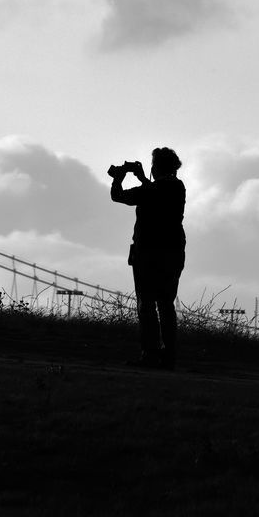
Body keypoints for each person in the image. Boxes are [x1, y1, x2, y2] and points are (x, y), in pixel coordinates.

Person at [109, 147, 186, 369]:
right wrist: (143, 178)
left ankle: (150, 355)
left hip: (148, 253)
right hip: (172, 252)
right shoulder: (177, 187)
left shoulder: (155, 188)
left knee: (146, 305)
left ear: (155, 167)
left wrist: (118, 179)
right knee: (166, 304)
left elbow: (119, 196)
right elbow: (154, 191)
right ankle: (169, 356)